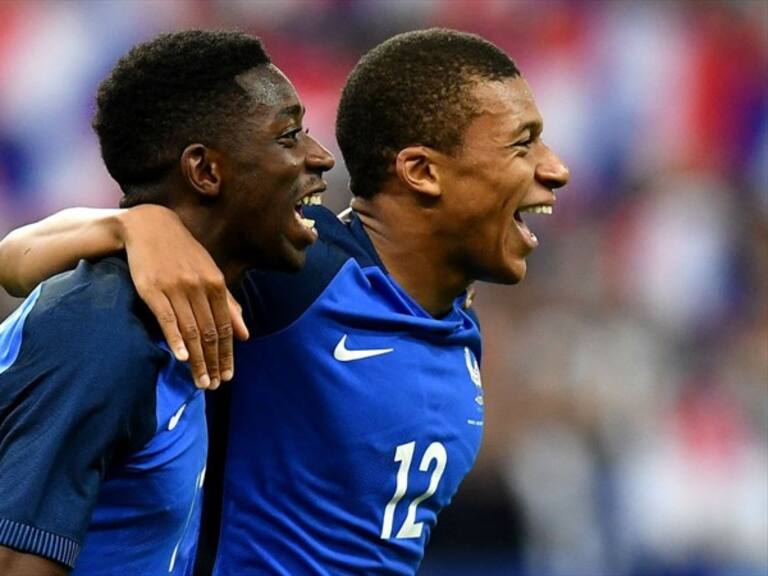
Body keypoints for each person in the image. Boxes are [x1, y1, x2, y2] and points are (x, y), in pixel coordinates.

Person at [0, 28, 568, 574]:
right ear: (420, 171)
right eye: (523, 144)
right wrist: (136, 225)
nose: (557, 169)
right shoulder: (296, 278)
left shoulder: (458, 328)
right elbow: (20, 258)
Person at [0, 30, 334, 575]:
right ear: (205, 171)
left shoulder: (193, 306)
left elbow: (13, 255)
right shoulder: (101, 337)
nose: (320, 158)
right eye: (289, 135)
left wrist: (133, 223)